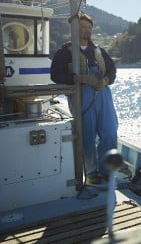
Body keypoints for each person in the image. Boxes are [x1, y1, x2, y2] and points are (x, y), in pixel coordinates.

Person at [50, 12, 118, 185]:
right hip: (81, 97)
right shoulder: (64, 53)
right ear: (72, 30)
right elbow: (55, 75)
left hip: (103, 95)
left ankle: (106, 171)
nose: (87, 30)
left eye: (89, 27)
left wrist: (105, 80)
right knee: (86, 136)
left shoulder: (100, 52)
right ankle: (91, 173)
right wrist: (76, 78)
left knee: (110, 132)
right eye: (82, 27)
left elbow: (112, 71)